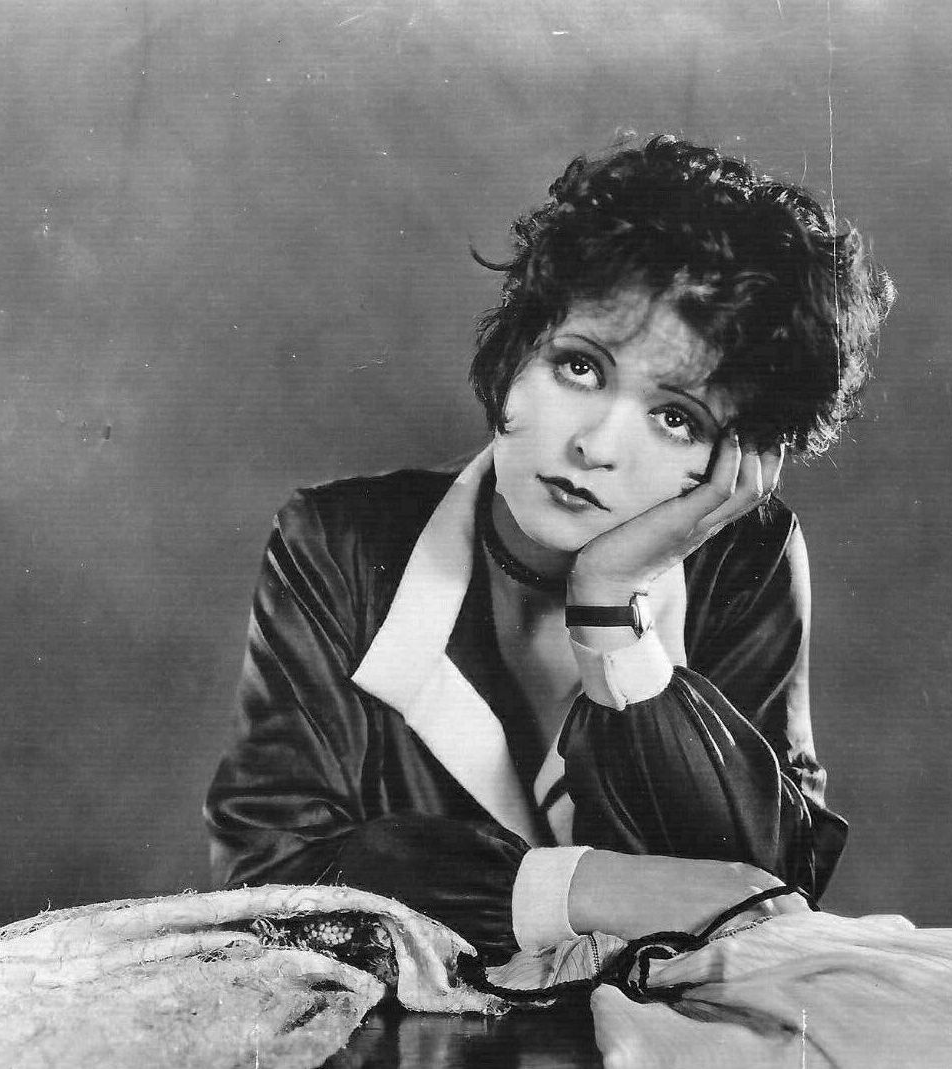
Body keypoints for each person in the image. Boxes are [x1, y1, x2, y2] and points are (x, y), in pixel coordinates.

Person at [204, 134, 895, 966]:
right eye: (578, 368)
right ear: (516, 350)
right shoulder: (338, 543)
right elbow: (268, 878)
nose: (594, 445)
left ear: (733, 462)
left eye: (674, 417)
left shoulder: (745, 559)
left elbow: (764, 895)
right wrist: (583, 888)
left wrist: (610, 609)